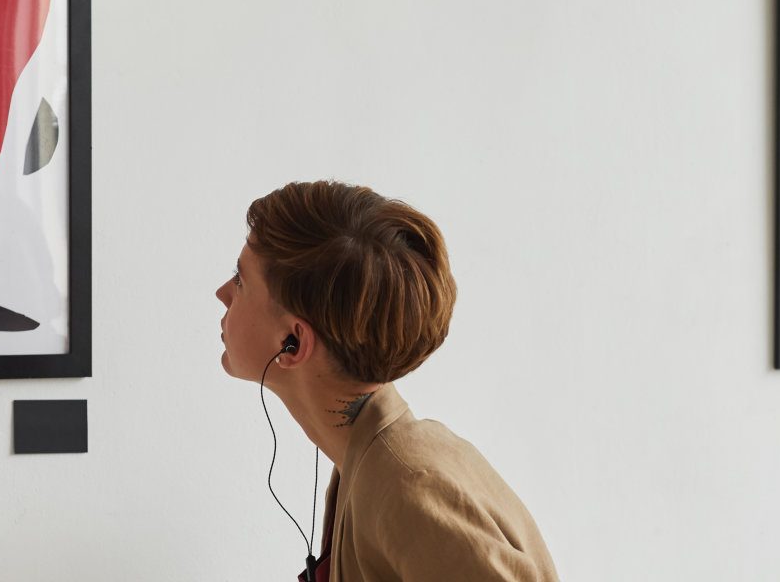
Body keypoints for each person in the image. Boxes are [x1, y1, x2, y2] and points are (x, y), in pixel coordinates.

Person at [216, 181, 559, 581]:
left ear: (292, 344)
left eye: (240, 281)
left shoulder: (409, 487)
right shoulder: (368, 466)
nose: (223, 293)